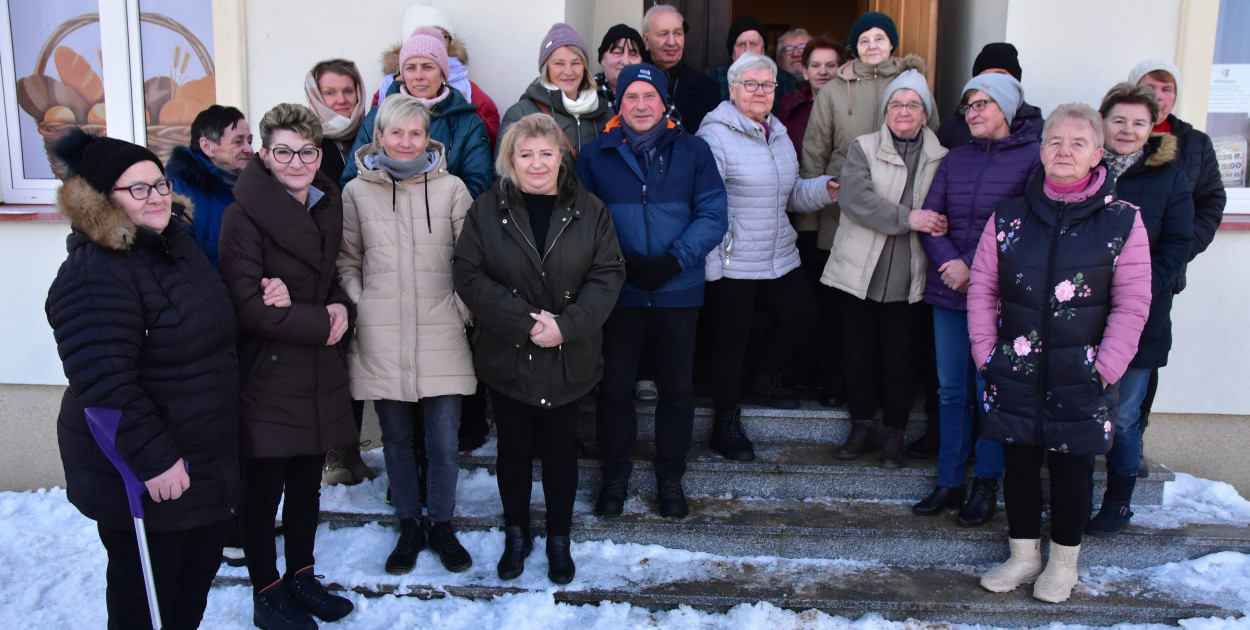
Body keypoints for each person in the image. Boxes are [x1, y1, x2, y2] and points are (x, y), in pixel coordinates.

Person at [46, 129, 242, 630]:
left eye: (159, 183)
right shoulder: (95, 273)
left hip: (202, 458)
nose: (155, 197)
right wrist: (154, 461)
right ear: (100, 201)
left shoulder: (174, 245)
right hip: (146, 473)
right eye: (137, 189)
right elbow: (104, 384)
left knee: (192, 584)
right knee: (148, 601)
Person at [970, 103, 1152, 604]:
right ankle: (1024, 557)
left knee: (1073, 469)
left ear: (1097, 153)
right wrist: (987, 354)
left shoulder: (1121, 221)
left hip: (1083, 371)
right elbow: (983, 289)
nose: (1064, 151)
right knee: (1019, 465)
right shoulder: (1008, 217)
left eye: (1077, 143)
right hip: (1016, 367)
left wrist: (1106, 367)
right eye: (1055, 142)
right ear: (1041, 149)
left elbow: (1134, 302)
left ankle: (1063, 564)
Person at [453, 113, 624, 585]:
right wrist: (526, 324)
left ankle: (558, 538)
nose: (536, 163)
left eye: (545, 153)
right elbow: (468, 274)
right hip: (508, 354)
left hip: (570, 356)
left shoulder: (590, 210)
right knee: (512, 451)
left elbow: (608, 275)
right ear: (510, 159)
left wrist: (565, 328)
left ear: (562, 156)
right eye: (525, 154)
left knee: (558, 453)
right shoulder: (487, 209)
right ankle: (516, 534)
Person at [218, 103, 357, 629]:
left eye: (305, 151)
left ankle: (301, 575)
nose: (295, 162)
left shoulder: (326, 201)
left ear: (317, 154)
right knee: (264, 490)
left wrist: (341, 304)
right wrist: (321, 321)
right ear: (263, 154)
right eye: (283, 151)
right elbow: (249, 308)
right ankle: (266, 590)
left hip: (317, 368)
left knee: (306, 484)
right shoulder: (243, 216)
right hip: (269, 371)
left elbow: (326, 280)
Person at [575, 64, 727, 519]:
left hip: (677, 290)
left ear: (664, 103)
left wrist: (674, 260)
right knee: (616, 388)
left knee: (677, 390)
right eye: (631, 97)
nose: (641, 105)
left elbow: (713, 213)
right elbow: (583, 219)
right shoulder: (595, 155)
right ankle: (615, 476)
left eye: (649, 96)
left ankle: (670, 479)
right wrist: (621, 264)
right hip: (617, 294)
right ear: (618, 105)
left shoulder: (694, 151)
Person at [338, 94, 477, 575]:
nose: (405, 141)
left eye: (414, 133)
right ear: (379, 136)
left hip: (442, 329)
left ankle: (441, 524)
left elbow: (473, 258)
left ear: (427, 137)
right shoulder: (355, 193)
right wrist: (362, 302)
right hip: (382, 331)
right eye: (395, 132)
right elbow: (347, 258)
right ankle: (409, 526)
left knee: (442, 440)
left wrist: (461, 309)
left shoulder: (453, 189)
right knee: (396, 440)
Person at [912, 73, 1040, 526]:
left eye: (983, 104)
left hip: (997, 295)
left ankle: (986, 483)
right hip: (948, 290)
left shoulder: (1032, 159)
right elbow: (932, 218)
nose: (974, 112)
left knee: (992, 391)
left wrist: (972, 266)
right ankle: (949, 480)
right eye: (968, 105)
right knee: (951, 391)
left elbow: (1024, 227)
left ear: (1006, 108)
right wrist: (950, 263)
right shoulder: (955, 159)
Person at [696, 53, 835, 459]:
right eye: (751, 84)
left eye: (768, 84)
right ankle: (725, 421)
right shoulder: (715, 134)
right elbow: (709, 202)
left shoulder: (777, 132)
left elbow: (788, 194)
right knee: (731, 341)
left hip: (777, 251)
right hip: (734, 256)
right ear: (734, 88)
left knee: (802, 315)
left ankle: (764, 374)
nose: (760, 91)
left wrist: (825, 188)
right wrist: (711, 265)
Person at [820, 69, 948, 469]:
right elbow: (855, 199)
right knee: (857, 355)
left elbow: (945, 211)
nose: (904, 111)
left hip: (909, 277)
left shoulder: (942, 158)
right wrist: (911, 218)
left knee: (899, 361)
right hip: (858, 272)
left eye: (913, 104)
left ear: (925, 113)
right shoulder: (864, 147)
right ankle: (861, 426)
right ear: (886, 111)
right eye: (896, 103)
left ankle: (893, 433)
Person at [1087, 83, 1193, 536]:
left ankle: (1118, 502)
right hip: (1081, 312)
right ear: (1102, 122)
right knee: (1074, 407)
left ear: (1152, 128)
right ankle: (1066, 494)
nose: (1128, 130)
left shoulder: (1169, 175)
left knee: (1124, 416)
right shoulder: (1082, 169)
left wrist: (1138, 289)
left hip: (1141, 317)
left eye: (1139, 123)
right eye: (1119, 120)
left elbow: (1178, 243)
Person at [1128, 59, 1226, 435]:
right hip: (1106, 271)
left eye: (1167, 88)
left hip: (1160, 273)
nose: (1158, 95)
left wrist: (1178, 252)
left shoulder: (1195, 144)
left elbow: (1211, 203)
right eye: (1150, 86)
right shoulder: (1114, 135)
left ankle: (1133, 437)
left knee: (1146, 355)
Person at [341, 27, 492, 196]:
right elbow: (352, 181)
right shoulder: (378, 116)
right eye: (411, 67)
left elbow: (479, 186)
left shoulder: (468, 123)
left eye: (428, 67)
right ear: (402, 74)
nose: (419, 75)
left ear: (443, 75)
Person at [372, 3, 501, 151]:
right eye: (411, 68)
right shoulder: (388, 87)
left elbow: (490, 133)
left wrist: (466, 114)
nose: (436, 39)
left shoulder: (466, 87)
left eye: (443, 35)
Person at [499, 23, 613, 161]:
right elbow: (503, 174)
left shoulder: (605, 114)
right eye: (559, 63)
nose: (568, 71)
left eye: (576, 63)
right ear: (546, 68)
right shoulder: (521, 114)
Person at [165, 105, 253, 268]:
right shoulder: (178, 191)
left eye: (249, 141)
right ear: (207, 146)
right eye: (238, 141)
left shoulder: (253, 185)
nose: (249, 149)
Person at [935, 43, 1044, 149]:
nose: (993, 81)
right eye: (985, 76)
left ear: (1016, 82)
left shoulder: (1039, 129)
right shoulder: (953, 127)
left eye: (1000, 74)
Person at [640, 3, 720, 132]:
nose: (672, 42)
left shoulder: (707, 89)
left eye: (678, 33)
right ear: (646, 40)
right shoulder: (632, 85)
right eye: (663, 34)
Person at [705, 15, 799, 107]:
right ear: (732, 51)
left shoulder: (786, 81)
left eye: (753, 44)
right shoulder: (713, 78)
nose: (748, 50)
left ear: (763, 50)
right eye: (741, 44)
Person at [305, 59, 367, 187]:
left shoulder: (373, 134)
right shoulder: (305, 142)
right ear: (316, 97)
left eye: (348, 91)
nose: (341, 100)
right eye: (330, 93)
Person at [777, 36, 842, 154]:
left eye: (830, 65)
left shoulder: (852, 106)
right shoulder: (789, 105)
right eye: (815, 65)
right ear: (805, 72)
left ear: (841, 70)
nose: (823, 72)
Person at [594, 24, 645, 111]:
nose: (625, 62)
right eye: (617, 53)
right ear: (602, 59)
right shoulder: (587, 92)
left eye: (633, 54)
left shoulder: (654, 90)